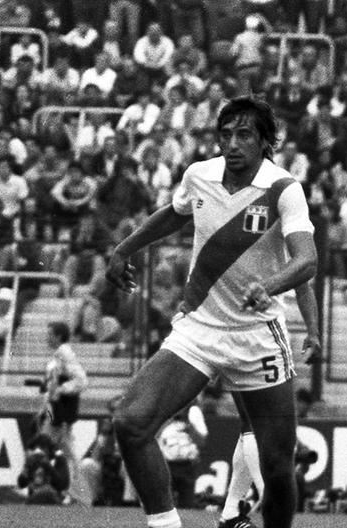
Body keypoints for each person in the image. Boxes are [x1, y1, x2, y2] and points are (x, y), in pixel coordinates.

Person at [104, 97, 316, 528]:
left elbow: (307, 261)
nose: (233, 144)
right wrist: (126, 247)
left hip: (258, 336)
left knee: (277, 467)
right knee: (130, 424)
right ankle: (166, 525)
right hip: (198, 329)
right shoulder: (199, 175)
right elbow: (175, 213)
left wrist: (271, 287)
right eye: (226, 134)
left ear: (264, 142)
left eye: (244, 135)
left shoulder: (283, 189)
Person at [218, 280, 322, 528]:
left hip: (222, 325)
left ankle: (231, 513)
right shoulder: (280, 243)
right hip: (256, 331)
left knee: (250, 423)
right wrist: (313, 332)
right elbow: (303, 279)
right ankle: (268, 497)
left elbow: (303, 280)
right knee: (256, 423)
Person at [39, 321, 87, 502]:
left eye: (50, 333)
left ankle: (76, 491)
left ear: (58, 336)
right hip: (56, 412)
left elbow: (81, 380)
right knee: (55, 450)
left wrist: (60, 390)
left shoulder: (64, 353)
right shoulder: (59, 354)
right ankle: (54, 489)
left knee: (64, 452)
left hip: (61, 413)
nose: (47, 337)